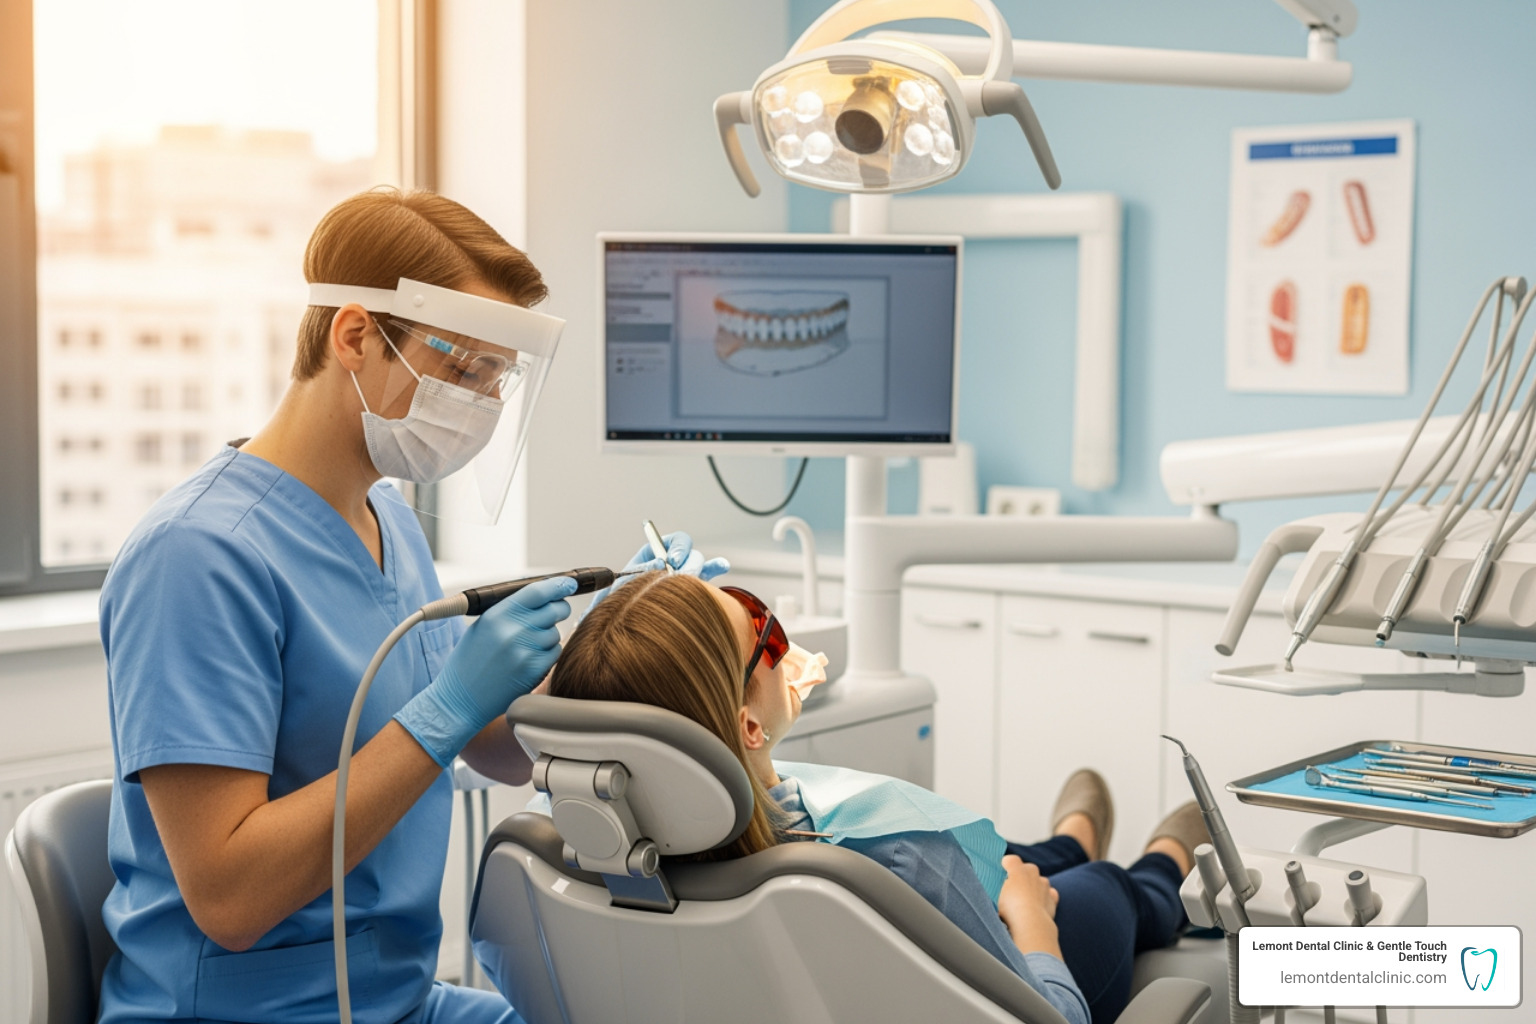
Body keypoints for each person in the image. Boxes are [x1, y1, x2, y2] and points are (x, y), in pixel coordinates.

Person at [96, 187, 716, 1024]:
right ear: (355, 336)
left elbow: (494, 750)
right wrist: (446, 706)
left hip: (396, 998)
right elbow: (231, 900)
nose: (480, 404)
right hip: (254, 1009)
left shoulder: (385, 519)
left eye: (497, 379)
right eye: (464, 370)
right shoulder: (197, 556)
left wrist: (615, 639)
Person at [547, 571, 1212, 1024]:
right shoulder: (898, 856)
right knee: (1100, 887)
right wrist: (1030, 919)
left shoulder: (573, 856)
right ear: (748, 728)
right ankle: (1162, 864)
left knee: (1018, 855)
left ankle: (1070, 837)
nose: (783, 643)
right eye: (766, 637)